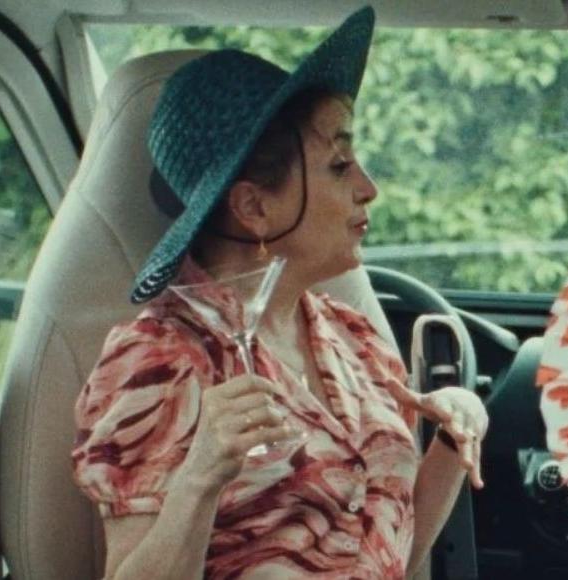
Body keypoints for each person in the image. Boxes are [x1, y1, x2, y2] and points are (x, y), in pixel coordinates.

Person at [68, 8, 489, 579]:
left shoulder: (355, 339)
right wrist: (200, 478)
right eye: (339, 165)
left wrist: (455, 435)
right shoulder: (161, 361)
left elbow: (391, 559)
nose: (368, 188)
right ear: (253, 207)